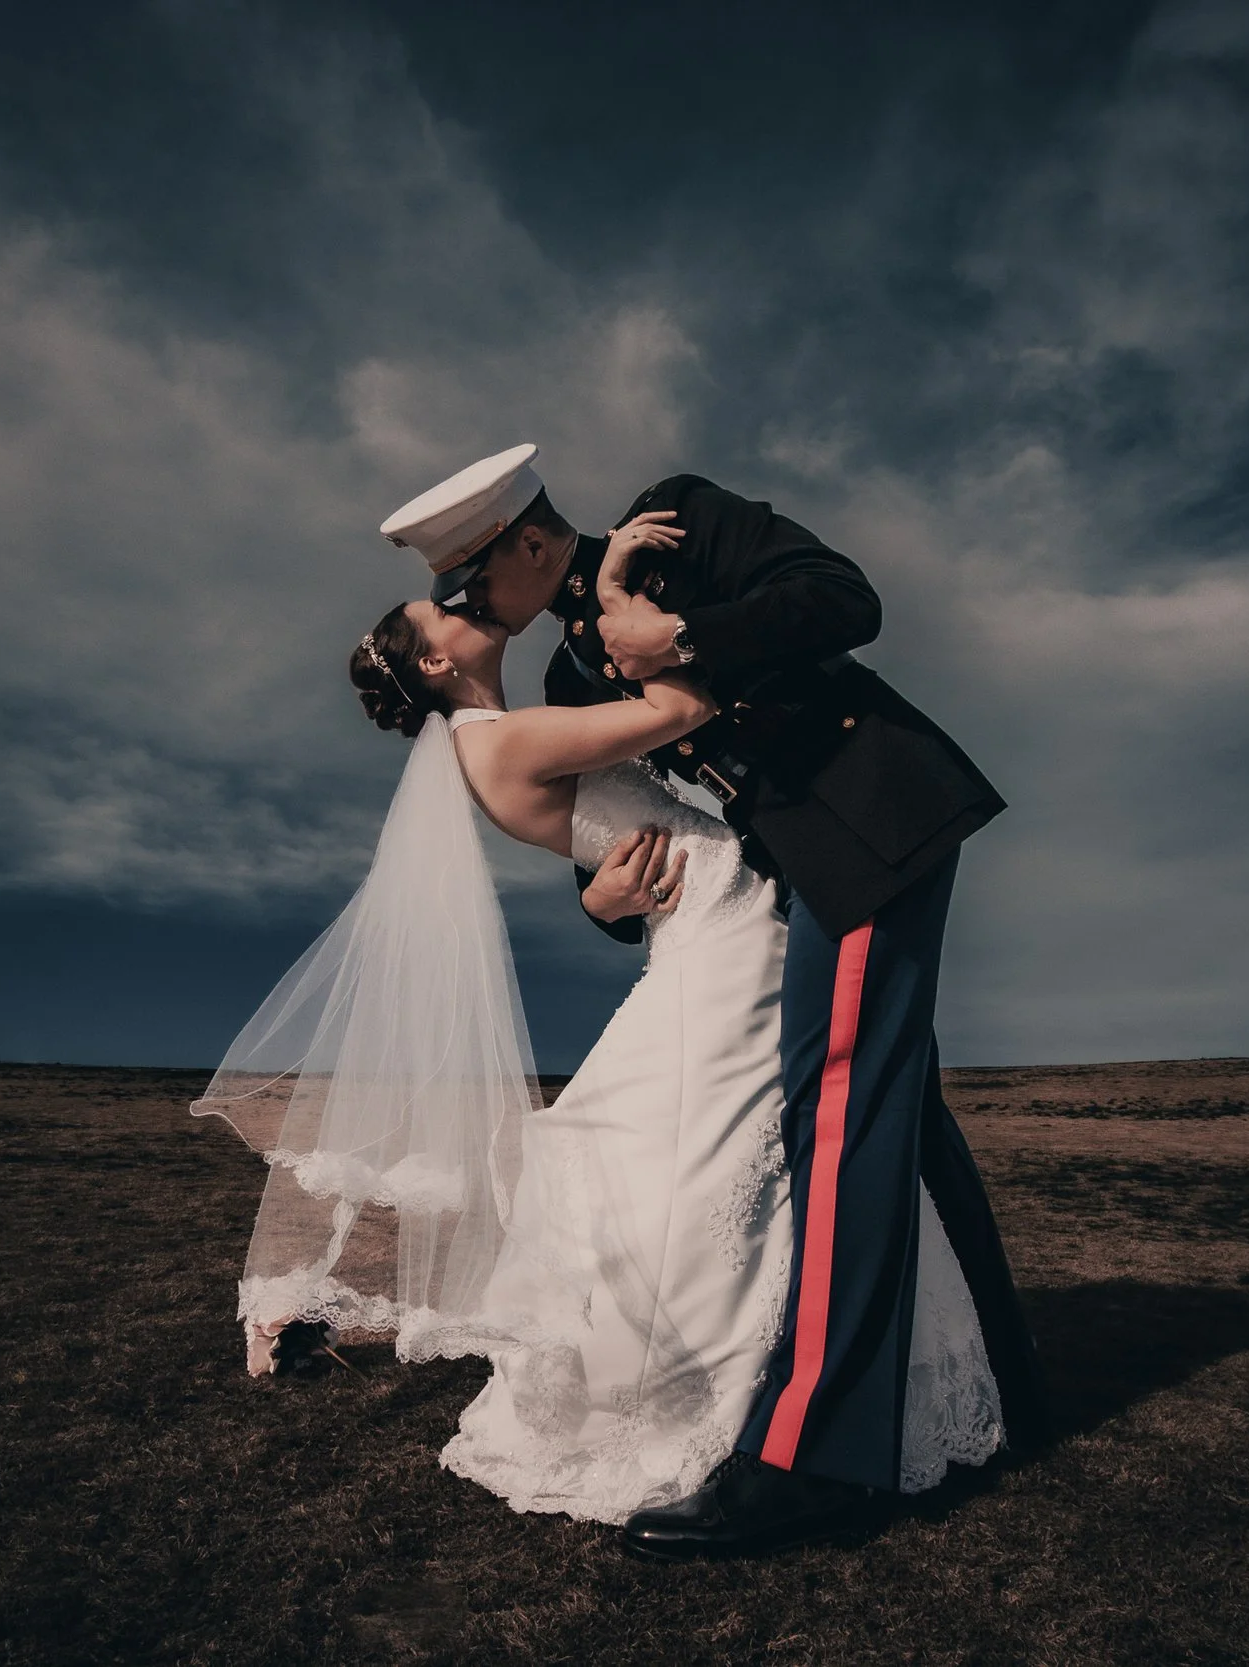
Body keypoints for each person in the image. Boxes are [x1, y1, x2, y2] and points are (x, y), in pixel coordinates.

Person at [197, 445, 1026, 1543]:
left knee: (845, 1117)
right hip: (772, 896)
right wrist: (602, 901)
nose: (464, 600)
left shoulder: (681, 518)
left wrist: (672, 628)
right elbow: (639, 830)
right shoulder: (562, 687)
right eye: (450, 597)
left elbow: (843, 599)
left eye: (470, 580)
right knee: (893, 1113)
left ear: (530, 542)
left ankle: (818, 1455)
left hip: (869, 824)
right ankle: (999, 1382)